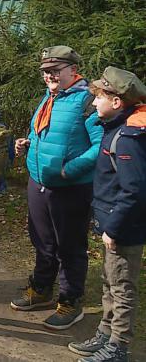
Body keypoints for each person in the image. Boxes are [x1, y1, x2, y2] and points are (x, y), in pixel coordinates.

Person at [10, 46, 102, 330]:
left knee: (69, 247)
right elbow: (46, 132)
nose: (49, 75)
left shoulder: (87, 100)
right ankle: (41, 289)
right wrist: (28, 144)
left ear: (73, 70)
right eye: (46, 71)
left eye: (55, 70)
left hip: (70, 187)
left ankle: (70, 301)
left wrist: (69, 170)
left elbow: (100, 147)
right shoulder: (50, 97)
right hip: (39, 182)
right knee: (42, 241)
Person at [68, 67, 145, 362]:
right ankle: (105, 332)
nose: (94, 101)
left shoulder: (127, 138)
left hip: (123, 226)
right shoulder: (114, 129)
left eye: (100, 96)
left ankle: (118, 347)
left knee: (122, 287)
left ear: (116, 103)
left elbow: (134, 189)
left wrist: (112, 228)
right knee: (108, 280)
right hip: (112, 221)